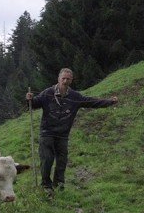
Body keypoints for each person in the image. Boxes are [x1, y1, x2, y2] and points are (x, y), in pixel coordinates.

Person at [26, 68, 118, 196]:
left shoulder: (75, 96)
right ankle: (46, 185)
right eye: (63, 78)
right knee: (47, 159)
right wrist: (30, 99)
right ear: (58, 79)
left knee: (62, 161)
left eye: (68, 79)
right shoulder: (48, 93)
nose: (65, 81)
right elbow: (35, 103)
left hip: (63, 135)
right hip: (47, 132)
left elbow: (91, 102)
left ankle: (59, 185)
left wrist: (109, 102)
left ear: (71, 80)